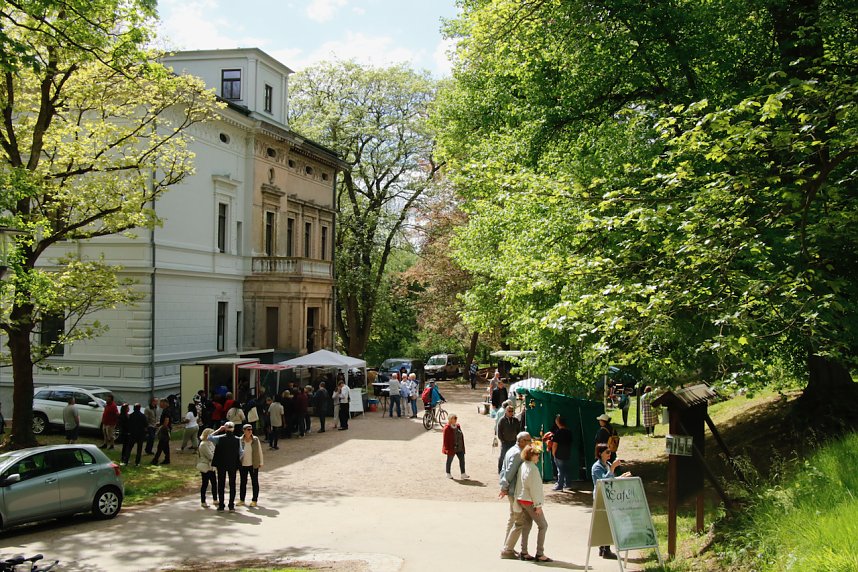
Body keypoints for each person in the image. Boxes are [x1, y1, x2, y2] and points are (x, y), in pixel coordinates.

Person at [507, 444, 551, 562]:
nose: (538, 456)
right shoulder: (533, 469)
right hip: (529, 500)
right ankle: (539, 553)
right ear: (531, 456)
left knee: (527, 525)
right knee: (543, 525)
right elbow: (535, 488)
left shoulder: (523, 465)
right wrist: (538, 505)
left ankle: (524, 551)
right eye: (536, 454)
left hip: (522, 499)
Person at [592, 443, 632, 559]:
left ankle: (603, 548)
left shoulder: (607, 464)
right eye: (607, 452)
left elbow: (611, 480)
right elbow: (603, 481)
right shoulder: (597, 467)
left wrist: (621, 477)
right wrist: (613, 468)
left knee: (607, 521)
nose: (610, 454)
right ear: (600, 453)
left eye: (610, 452)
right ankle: (606, 549)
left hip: (609, 496)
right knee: (606, 522)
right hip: (601, 497)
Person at [500, 431, 533, 559]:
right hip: (514, 491)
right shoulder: (518, 453)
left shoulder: (511, 450)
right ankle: (507, 549)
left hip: (511, 490)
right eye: (528, 440)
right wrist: (504, 487)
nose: (530, 442)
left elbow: (504, 469)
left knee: (512, 519)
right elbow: (509, 472)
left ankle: (507, 546)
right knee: (518, 520)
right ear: (521, 441)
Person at [209, 421, 242, 512]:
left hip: (221, 464)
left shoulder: (219, 438)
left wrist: (219, 430)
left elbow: (209, 437)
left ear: (225, 428)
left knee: (221, 484)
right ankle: (231, 505)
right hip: (232, 464)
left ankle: (221, 505)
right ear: (233, 429)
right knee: (232, 484)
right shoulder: (237, 439)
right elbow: (241, 452)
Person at [237, 424, 264, 507]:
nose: (250, 431)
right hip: (243, 464)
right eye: (248, 429)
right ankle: (242, 500)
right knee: (243, 482)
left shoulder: (255, 439)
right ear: (244, 431)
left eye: (251, 429)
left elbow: (259, 451)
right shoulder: (240, 440)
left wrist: (261, 462)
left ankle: (254, 500)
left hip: (253, 464)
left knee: (254, 482)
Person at [196, 427, 219, 508]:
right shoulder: (203, 444)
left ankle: (215, 499)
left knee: (214, 483)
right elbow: (210, 456)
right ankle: (203, 501)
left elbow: (215, 452)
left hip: (211, 467)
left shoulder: (210, 443)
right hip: (205, 466)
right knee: (205, 484)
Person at [441, 414, 469, 479]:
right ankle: (448, 473)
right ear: (450, 420)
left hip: (459, 446)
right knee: (449, 460)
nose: (456, 419)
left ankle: (463, 473)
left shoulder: (458, 426)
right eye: (454, 418)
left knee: (462, 460)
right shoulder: (447, 428)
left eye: (456, 418)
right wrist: (447, 449)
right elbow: (445, 440)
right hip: (451, 447)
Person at [496, 403, 521, 473]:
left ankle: (512, 470)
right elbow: (499, 432)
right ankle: (500, 470)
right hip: (505, 442)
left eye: (512, 411)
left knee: (514, 456)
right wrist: (503, 441)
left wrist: (517, 439)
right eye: (509, 411)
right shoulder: (502, 420)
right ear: (506, 411)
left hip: (513, 442)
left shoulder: (515, 420)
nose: (511, 413)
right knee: (502, 456)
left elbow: (518, 430)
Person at [551, 415, 572, 491]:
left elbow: (555, 445)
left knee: (560, 470)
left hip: (559, 454)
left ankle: (560, 485)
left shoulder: (558, 432)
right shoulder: (569, 432)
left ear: (558, 422)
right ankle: (568, 484)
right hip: (567, 453)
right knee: (566, 469)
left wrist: (553, 453)